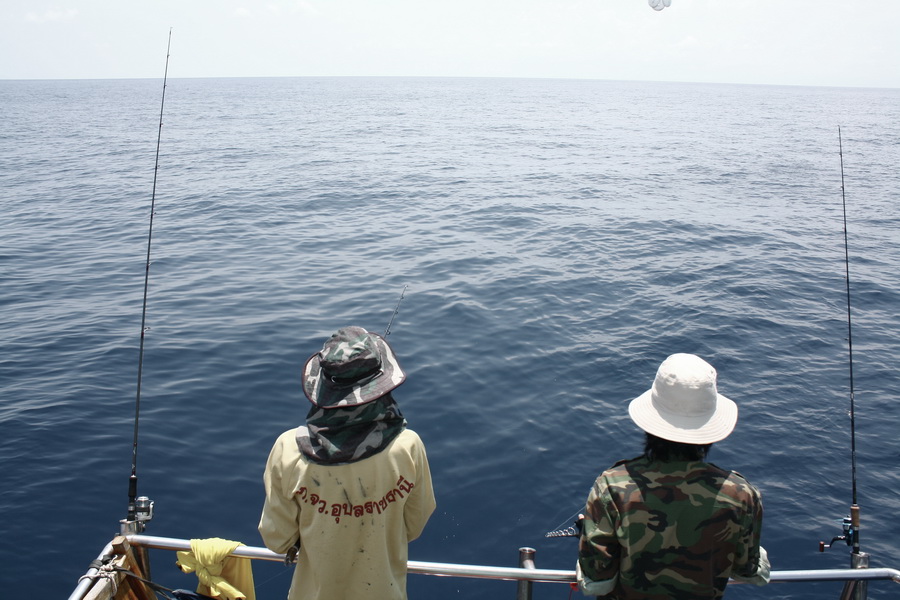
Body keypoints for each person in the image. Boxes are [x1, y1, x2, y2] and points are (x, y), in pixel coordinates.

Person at [259, 326, 436, 600]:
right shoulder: (408, 445)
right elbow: (413, 526)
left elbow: (277, 539)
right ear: (382, 383)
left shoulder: (288, 448)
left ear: (323, 386)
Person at [577, 353, 770, 599]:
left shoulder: (612, 486)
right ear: (708, 430)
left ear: (650, 423)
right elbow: (748, 570)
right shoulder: (741, 494)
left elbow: (597, 580)